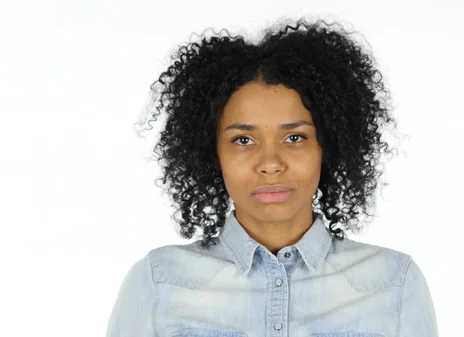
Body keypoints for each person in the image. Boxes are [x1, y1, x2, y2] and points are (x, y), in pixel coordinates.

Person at [107, 17, 438, 337]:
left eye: (294, 138)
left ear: (329, 146)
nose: (270, 163)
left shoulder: (393, 282)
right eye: (243, 140)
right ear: (213, 153)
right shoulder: (159, 281)